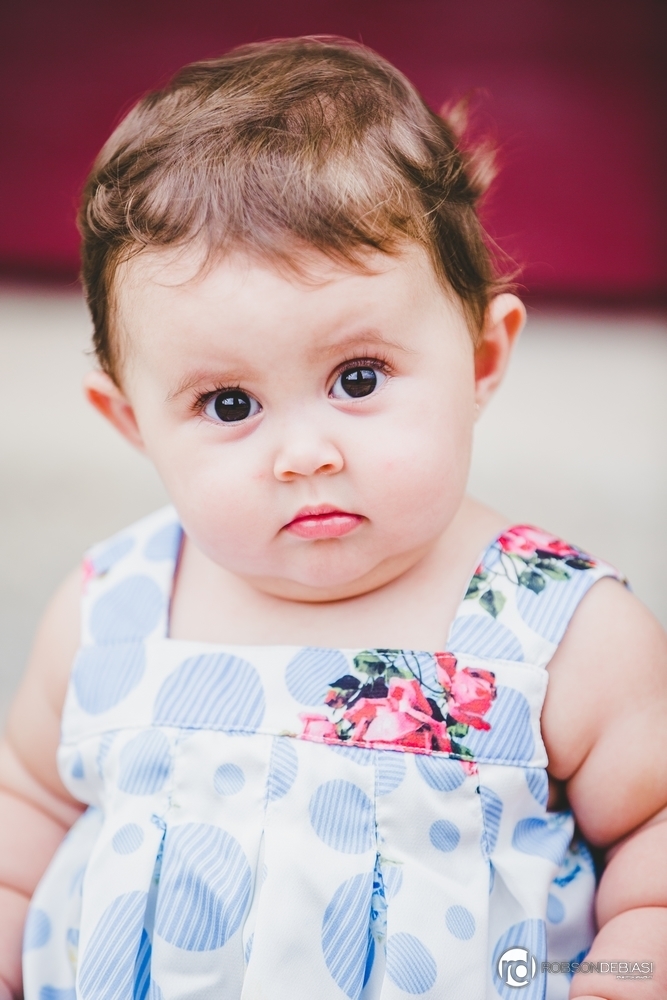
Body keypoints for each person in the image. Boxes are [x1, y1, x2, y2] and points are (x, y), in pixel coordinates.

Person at [0, 36, 665, 1000]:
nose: (303, 453)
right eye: (229, 403)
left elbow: (652, 834)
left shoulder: (558, 630)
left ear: (481, 359)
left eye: (357, 378)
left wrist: (624, 973)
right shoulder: (111, 608)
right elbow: (25, 809)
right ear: (133, 423)